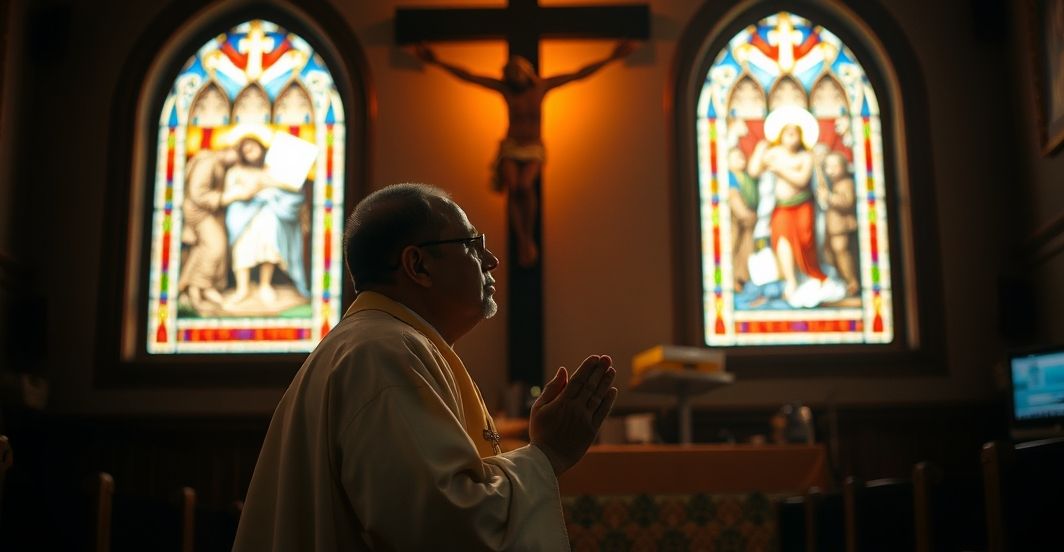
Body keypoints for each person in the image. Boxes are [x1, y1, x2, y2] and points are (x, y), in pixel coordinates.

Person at [233, 183, 618, 551]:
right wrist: (548, 454)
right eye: (472, 244)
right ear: (418, 264)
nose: (492, 260)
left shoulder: (374, 344)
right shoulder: (382, 355)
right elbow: (444, 526)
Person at [414, 41, 635, 267]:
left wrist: (611, 58)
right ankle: (522, 240)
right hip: (512, 146)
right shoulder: (505, 89)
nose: (514, 79)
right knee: (513, 186)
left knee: (525, 186)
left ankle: (528, 236)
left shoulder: (541, 87)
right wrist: (437, 62)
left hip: (533, 148)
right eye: (510, 76)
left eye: (516, 74)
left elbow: (578, 74)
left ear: (526, 71)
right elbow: (470, 76)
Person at [748, 107, 828, 303]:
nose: (791, 136)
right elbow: (754, 171)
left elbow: (801, 180)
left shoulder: (805, 156)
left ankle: (807, 276)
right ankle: (791, 281)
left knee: (805, 240)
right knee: (782, 240)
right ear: (781, 134)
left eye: (795, 132)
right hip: (782, 207)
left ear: (801, 136)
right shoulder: (774, 153)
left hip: (802, 206)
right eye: (787, 132)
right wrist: (759, 151)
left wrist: (780, 169)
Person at [222, 136, 309, 307]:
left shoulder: (270, 170)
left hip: (267, 213)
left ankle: (265, 284)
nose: (251, 153)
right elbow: (226, 197)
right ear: (241, 154)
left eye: (254, 148)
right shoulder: (236, 171)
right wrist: (244, 193)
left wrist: (271, 187)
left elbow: (288, 189)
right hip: (242, 217)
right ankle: (242, 288)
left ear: (262, 148)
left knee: (268, 247)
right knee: (242, 249)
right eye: (246, 150)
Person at [178, 143, 256, 313]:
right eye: (237, 154)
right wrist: (228, 196)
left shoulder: (219, 163)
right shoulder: (208, 161)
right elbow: (198, 194)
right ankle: (201, 288)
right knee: (215, 246)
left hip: (209, 212)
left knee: (204, 250)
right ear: (228, 149)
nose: (237, 160)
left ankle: (193, 290)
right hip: (198, 212)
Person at [818, 152, 859, 296]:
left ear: (844, 167)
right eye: (828, 167)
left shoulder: (846, 183)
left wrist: (829, 197)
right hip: (833, 227)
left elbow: (847, 202)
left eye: (835, 166)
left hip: (841, 226)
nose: (831, 170)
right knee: (831, 253)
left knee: (842, 252)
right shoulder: (834, 183)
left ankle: (851, 282)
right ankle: (843, 281)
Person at [726, 147, 757, 288]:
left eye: (742, 157)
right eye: (736, 157)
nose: (741, 160)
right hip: (735, 220)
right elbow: (733, 196)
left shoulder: (746, 177)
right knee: (732, 247)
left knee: (746, 250)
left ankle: (741, 278)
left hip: (748, 223)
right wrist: (743, 213)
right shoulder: (730, 177)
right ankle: (730, 280)